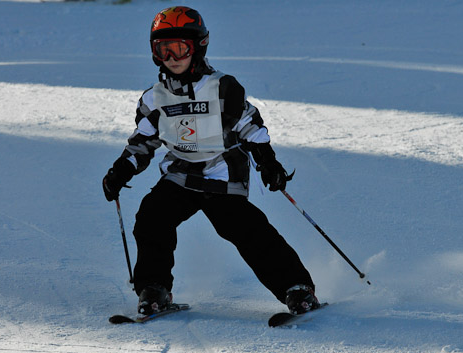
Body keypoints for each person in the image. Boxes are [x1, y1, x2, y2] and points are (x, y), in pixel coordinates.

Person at [103, 6, 320, 316]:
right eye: (163, 49)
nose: (172, 57)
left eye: (179, 48)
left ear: (198, 46)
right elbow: (143, 141)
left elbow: (250, 126)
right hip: (180, 175)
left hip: (222, 174)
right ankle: (154, 288)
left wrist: (267, 161)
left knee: (249, 230)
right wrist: (122, 168)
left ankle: (296, 288)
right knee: (151, 218)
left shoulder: (223, 88)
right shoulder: (154, 98)